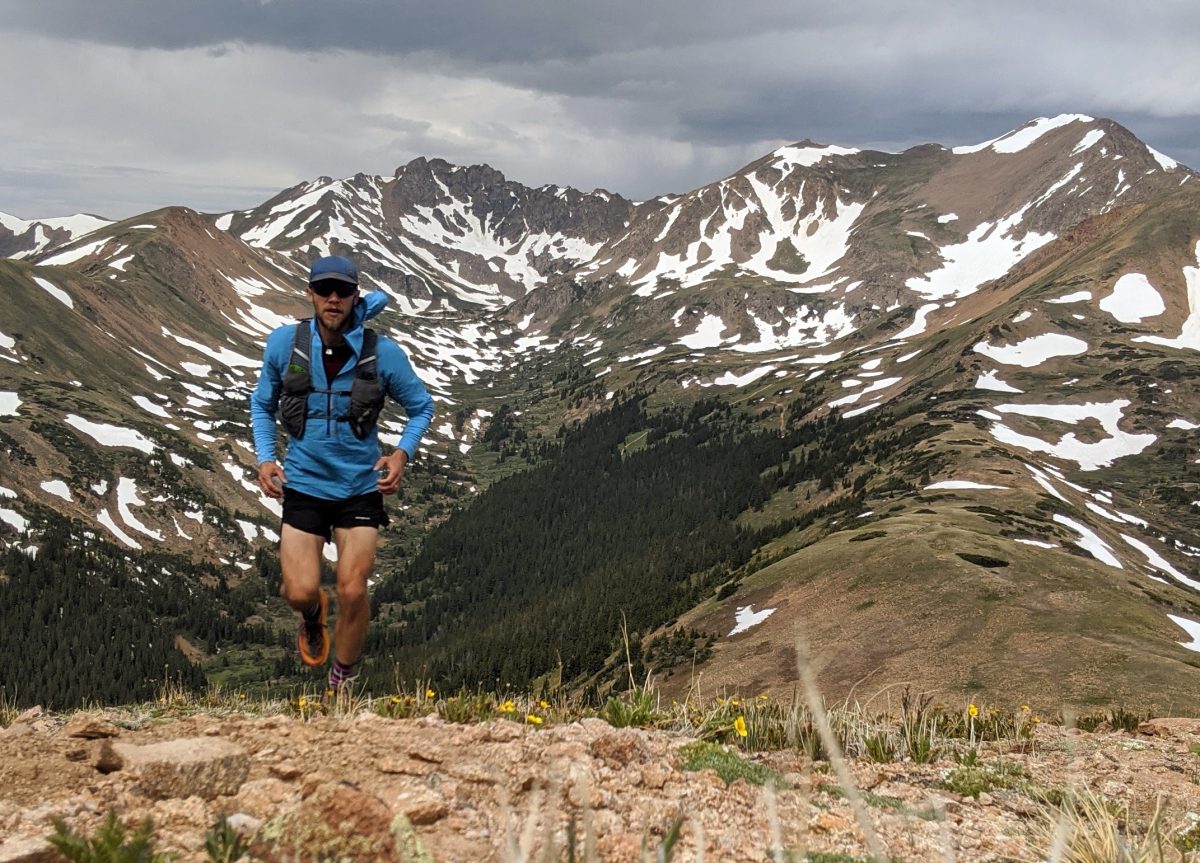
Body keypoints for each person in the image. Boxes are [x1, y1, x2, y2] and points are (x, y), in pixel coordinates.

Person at [250, 255, 435, 693]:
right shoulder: (283, 345)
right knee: (297, 591)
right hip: (304, 484)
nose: (333, 298)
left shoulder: (383, 352)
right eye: (324, 289)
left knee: (353, 590)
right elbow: (262, 404)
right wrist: (265, 457)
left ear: (356, 296)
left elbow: (421, 407)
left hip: (359, 487)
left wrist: (401, 454)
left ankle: (342, 682)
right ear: (310, 294)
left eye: (342, 291)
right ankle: (312, 615)